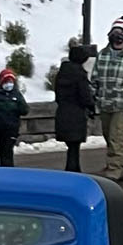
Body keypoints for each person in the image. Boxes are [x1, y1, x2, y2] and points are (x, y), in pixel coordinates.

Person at [90, 21, 123, 182]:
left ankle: (114, 172)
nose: (117, 37)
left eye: (120, 33)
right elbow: (95, 78)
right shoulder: (103, 54)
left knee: (116, 138)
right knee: (109, 137)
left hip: (122, 103)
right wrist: (92, 97)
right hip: (105, 102)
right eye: (115, 33)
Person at [48, 38, 96, 172]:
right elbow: (85, 96)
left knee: (71, 146)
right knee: (75, 146)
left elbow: (57, 94)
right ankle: (74, 169)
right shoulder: (80, 75)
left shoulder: (62, 74)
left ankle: (72, 168)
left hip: (63, 111)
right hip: (76, 113)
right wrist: (91, 106)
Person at [0, 67, 26, 165]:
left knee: (8, 150)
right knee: (3, 149)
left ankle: (8, 168)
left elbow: (24, 110)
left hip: (12, 128)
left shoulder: (17, 95)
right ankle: (5, 168)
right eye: (6, 81)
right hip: (0, 127)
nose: (9, 84)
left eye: (11, 81)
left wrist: (15, 106)